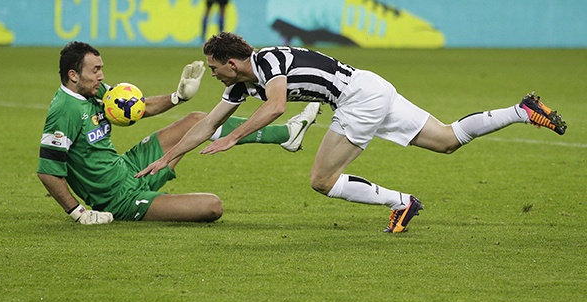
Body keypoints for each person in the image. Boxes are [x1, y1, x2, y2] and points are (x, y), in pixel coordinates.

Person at [136, 32, 567, 233]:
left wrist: (234, 138)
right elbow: (208, 122)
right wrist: (169, 157)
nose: (211, 74)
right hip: (370, 85)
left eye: (213, 67)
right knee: (448, 140)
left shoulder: (266, 63)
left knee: (321, 180)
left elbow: (278, 105)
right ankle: (522, 111)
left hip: (358, 100)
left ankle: (402, 203)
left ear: (231, 61)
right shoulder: (241, 82)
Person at [37, 41, 319, 225]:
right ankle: (143, 202)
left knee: (195, 119)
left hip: (129, 167)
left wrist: (177, 97)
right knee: (212, 207)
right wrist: (78, 212)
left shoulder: (94, 90)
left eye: (101, 70)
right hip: (117, 198)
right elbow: (48, 171)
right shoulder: (65, 110)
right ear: (74, 75)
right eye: (95, 70)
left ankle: (286, 134)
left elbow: (136, 108)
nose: (101, 76)